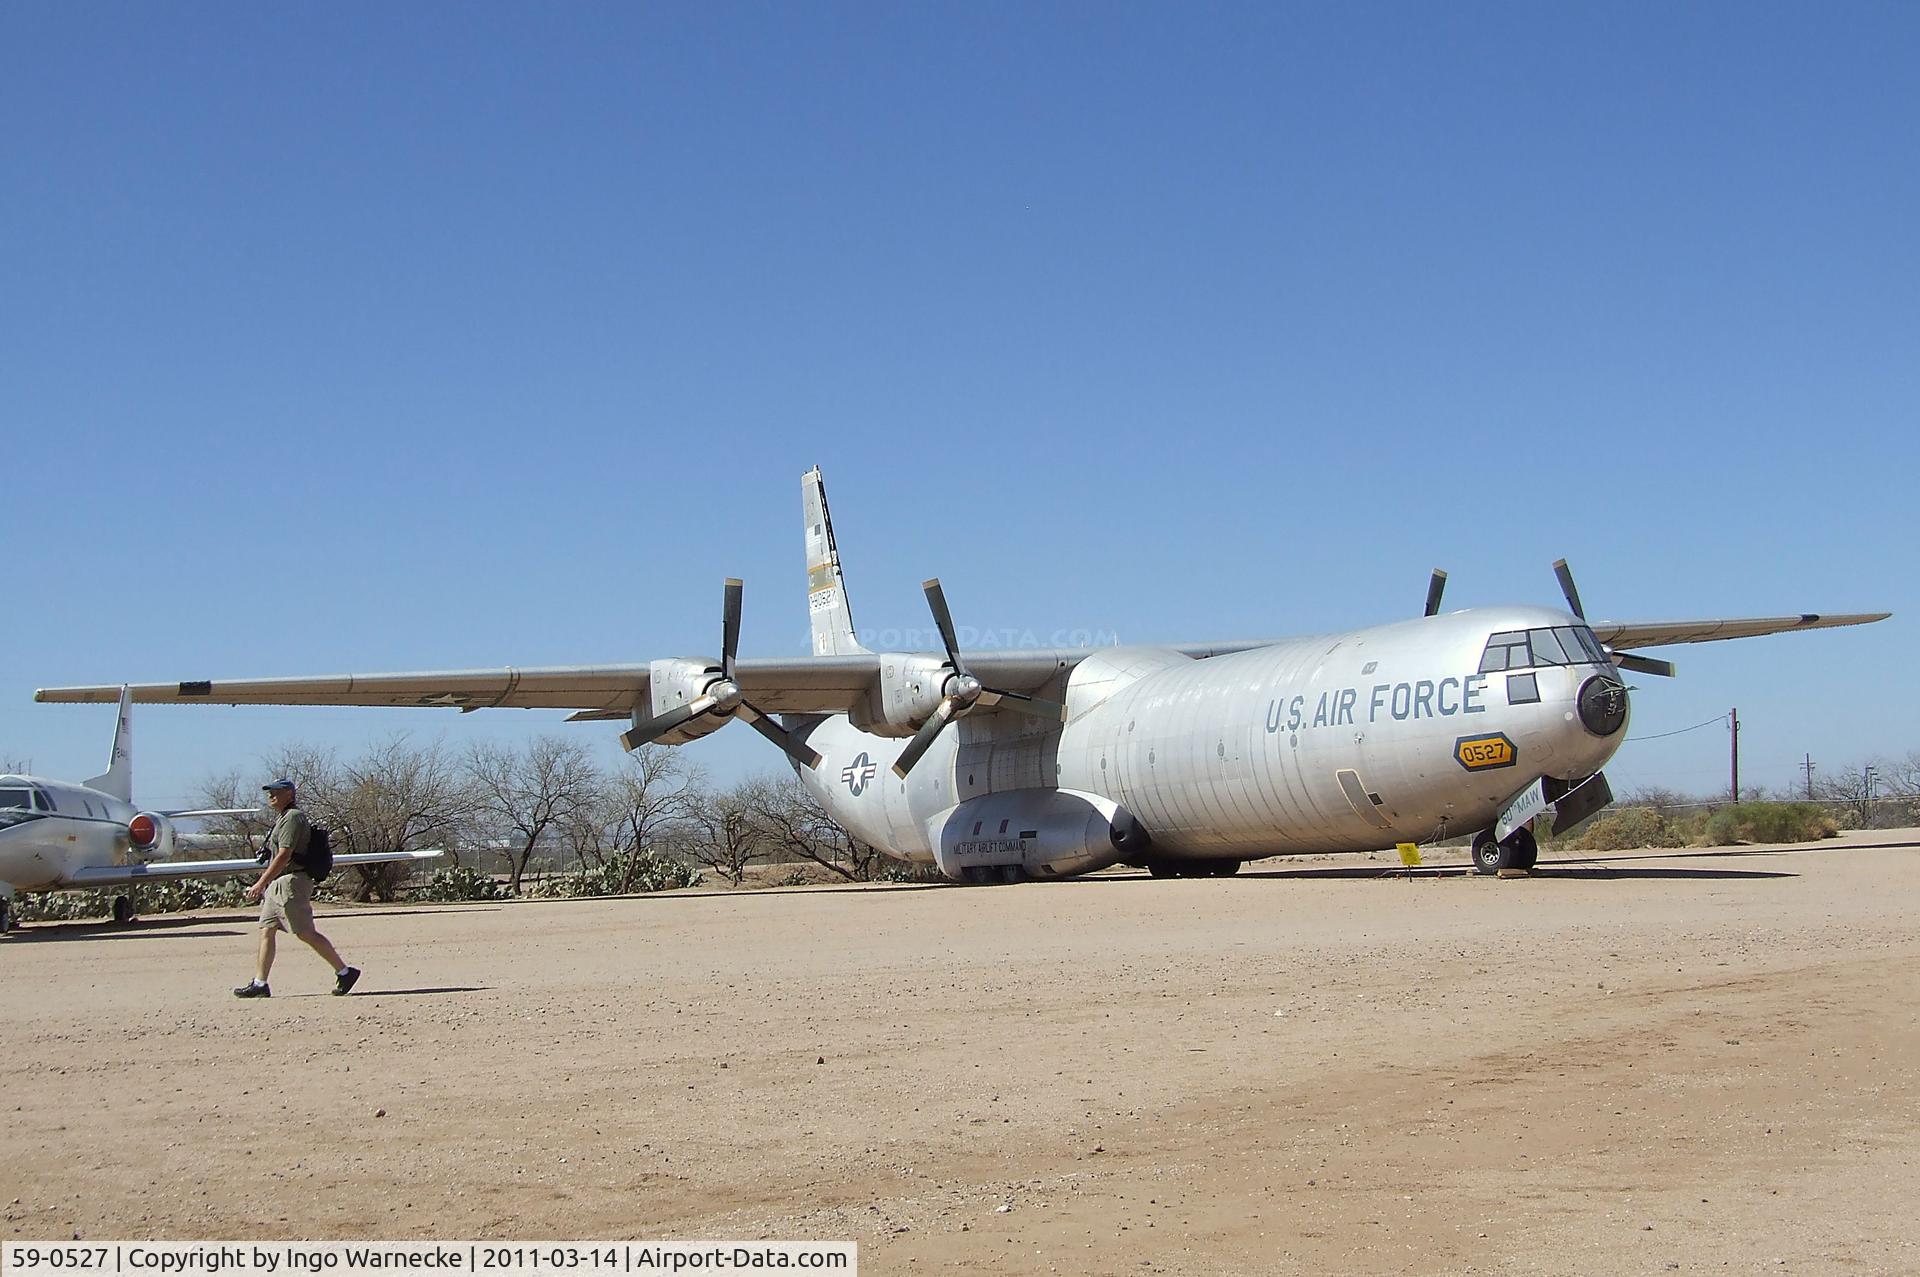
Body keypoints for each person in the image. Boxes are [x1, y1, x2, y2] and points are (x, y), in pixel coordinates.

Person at [232, 778, 360, 998]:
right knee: (266, 930)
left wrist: (261, 882)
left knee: (305, 933)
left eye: (276, 792)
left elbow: (284, 854)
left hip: (291, 882)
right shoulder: (283, 818)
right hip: (278, 884)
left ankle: (345, 972)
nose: (271, 795)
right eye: (270, 792)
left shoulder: (293, 817)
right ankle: (260, 983)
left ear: (289, 794)